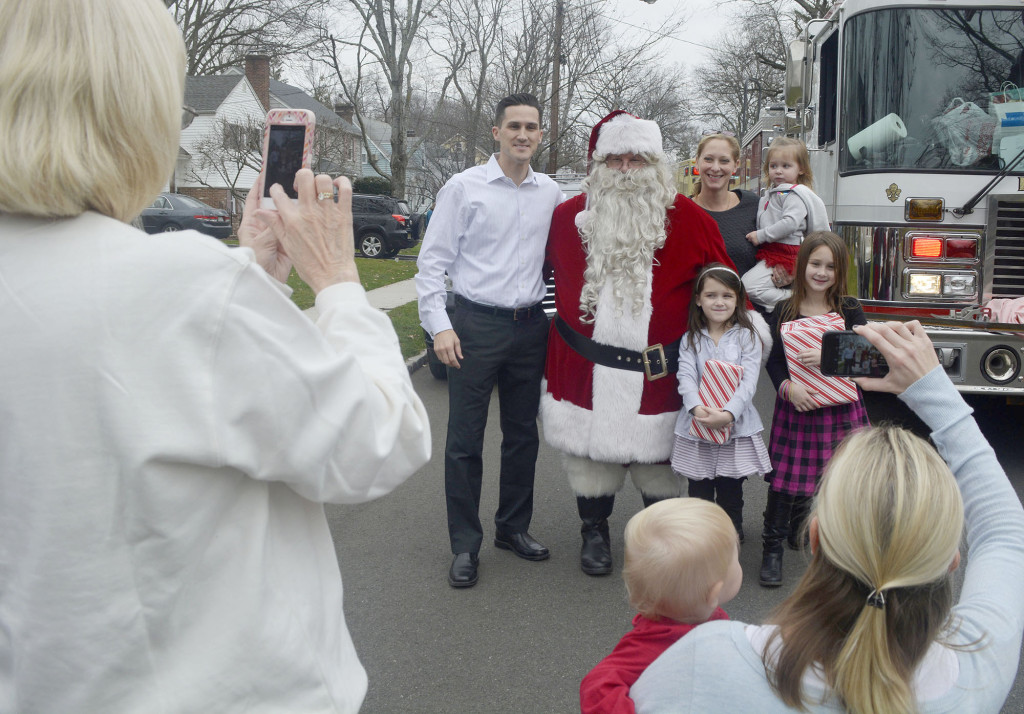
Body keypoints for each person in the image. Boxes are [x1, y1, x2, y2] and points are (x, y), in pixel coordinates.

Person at [0, 2, 431, 712]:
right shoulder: (180, 288)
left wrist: (252, 276)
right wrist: (341, 286)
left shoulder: (179, 290)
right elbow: (377, 442)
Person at [631, 319, 1024, 714]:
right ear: (951, 564)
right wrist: (934, 392)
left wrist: (928, 388)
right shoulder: (977, 664)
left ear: (814, 539)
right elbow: (1005, 533)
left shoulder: (709, 661)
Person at [541, 111, 765, 577]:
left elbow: (725, 287)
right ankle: (594, 533)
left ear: (656, 163)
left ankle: (657, 538)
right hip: (584, 369)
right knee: (589, 461)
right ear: (599, 164)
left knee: (659, 465)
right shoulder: (565, 219)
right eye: (616, 159)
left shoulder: (690, 220)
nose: (626, 169)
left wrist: (741, 340)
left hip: (660, 372)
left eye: (637, 159)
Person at [415, 93, 563, 588]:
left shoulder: (551, 194)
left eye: (533, 127)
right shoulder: (464, 188)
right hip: (475, 326)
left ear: (542, 135)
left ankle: (512, 528)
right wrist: (440, 326)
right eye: (514, 126)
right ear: (496, 132)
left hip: (530, 327)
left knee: (523, 436)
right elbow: (431, 263)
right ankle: (464, 544)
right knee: (464, 440)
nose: (524, 134)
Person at [759, 232, 870, 587]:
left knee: (832, 475)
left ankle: (811, 532)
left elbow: (867, 359)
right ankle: (772, 547)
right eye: (815, 264)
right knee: (786, 478)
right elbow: (775, 362)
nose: (821, 272)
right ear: (802, 264)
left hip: (840, 407)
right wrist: (787, 387)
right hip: (798, 405)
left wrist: (829, 356)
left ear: (841, 272)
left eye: (831, 267)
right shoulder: (783, 310)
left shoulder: (849, 309)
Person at [579, 499, 740, 714]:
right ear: (714, 593)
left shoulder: (710, 618)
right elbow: (597, 685)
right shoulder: (650, 644)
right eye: (736, 559)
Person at [672, 265, 772, 543]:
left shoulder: (747, 337)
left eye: (727, 296)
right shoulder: (691, 338)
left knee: (730, 488)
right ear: (698, 299)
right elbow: (686, 375)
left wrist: (728, 414)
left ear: (738, 300)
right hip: (699, 421)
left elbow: (749, 382)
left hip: (735, 425)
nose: (719, 302)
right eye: (711, 295)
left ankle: (730, 533)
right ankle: (701, 535)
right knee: (699, 487)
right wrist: (696, 408)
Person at [742, 137, 830, 312]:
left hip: (786, 253)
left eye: (786, 166)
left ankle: (799, 300)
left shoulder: (794, 194)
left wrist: (761, 235)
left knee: (748, 287)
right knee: (747, 286)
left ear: (801, 168)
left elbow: (790, 223)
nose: (778, 171)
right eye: (773, 166)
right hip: (773, 251)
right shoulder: (773, 194)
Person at [690, 133, 760, 276]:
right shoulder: (682, 212)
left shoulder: (754, 206)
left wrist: (784, 269)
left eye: (724, 161)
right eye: (708, 159)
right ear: (697, 162)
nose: (715, 168)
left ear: (736, 165)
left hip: (748, 297)